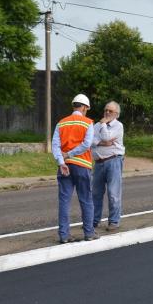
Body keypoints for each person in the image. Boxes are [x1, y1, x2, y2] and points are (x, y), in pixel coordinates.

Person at [52, 93, 98, 244]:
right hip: (82, 165)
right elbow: (87, 144)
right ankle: (89, 233)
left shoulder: (61, 123)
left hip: (65, 166)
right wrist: (70, 154)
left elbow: (55, 146)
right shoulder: (87, 122)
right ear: (84, 107)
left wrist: (62, 161)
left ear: (74, 106)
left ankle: (64, 235)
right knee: (86, 199)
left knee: (64, 201)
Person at [91, 101, 125, 233]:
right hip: (98, 162)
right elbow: (90, 141)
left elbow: (107, 136)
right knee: (95, 193)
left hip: (113, 161)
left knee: (113, 193)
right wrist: (101, 142)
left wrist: (103, 126)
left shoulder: (118, 126)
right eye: (106, 110)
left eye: (110, 111)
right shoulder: (97, 125)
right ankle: (94, 220)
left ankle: (114, 221)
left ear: (116, 114)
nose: (107, 112)